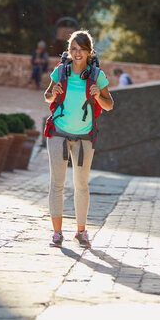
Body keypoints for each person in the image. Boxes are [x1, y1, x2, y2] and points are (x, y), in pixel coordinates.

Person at [44, 30, 114, 248]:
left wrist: (97, 95)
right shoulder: (60, 72)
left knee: (81, 185)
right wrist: (53, 93)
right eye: (73, 48)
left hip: (85, 137)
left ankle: (81, 232)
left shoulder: (96, 76)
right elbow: (47, 97)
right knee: (57, 184)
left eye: (81, 49)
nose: (76, 53)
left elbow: (109, 105)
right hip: (58, 133)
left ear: (88, 52)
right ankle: (57, 234)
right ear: (69, 50)